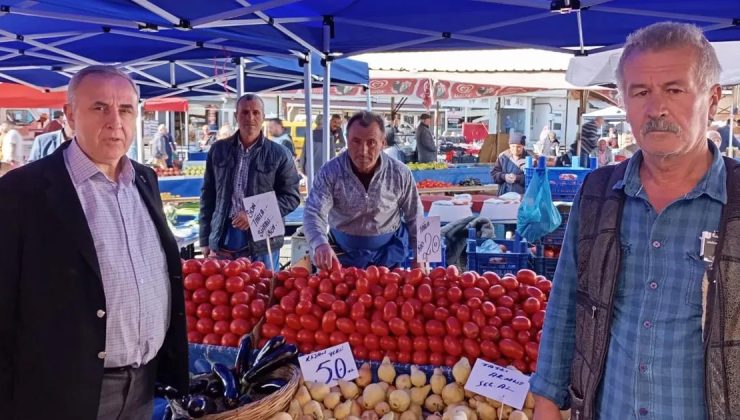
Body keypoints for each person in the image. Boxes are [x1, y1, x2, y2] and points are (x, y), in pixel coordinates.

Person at [531, 22, 738, 420]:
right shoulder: (597, 194)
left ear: (712, 100)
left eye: (675, 90)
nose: (656, 108)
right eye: (640, 92)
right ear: (623, 101)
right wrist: (546, 398)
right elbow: (566, 301)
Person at [0, 65, 188, 420]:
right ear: (70, 114)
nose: (115, 121)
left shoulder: (144, 180)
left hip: (143, 387)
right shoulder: (22, 192)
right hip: (62, 394)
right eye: (99, 107)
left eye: (126, 109)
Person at [303, 111, 422, 269]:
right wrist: (319, 243)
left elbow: (416, 215)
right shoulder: (330, 172)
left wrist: (423, 255)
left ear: (383, 143)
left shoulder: (400, 173)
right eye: (356, 141)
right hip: (341, 258)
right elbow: (313, 212)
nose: (363, 150)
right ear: (347, 141)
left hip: (389, 257)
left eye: (371, 142)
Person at [200, 93, 301, 269]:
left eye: (256, 112)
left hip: (263, 240)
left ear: (263, 117)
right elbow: (208, 196)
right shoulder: (218, 150)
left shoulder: (279, 154)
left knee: (263, 292)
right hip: (225, 236)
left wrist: (254, 216)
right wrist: (205, 238)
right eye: (245, 112)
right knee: (227, 293)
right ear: (236, 116)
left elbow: (291, 197)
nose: (250, 117)